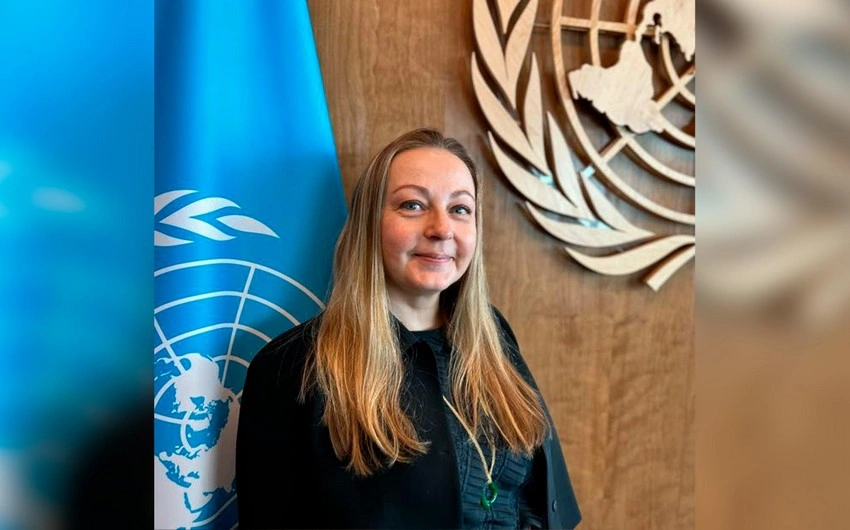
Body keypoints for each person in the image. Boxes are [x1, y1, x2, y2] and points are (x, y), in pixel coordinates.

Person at [235, 128, 581, 529]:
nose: (442, 229)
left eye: (460, 209)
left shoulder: (494, 335)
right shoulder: (290, 366)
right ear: (370, 224)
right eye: (413, 205)